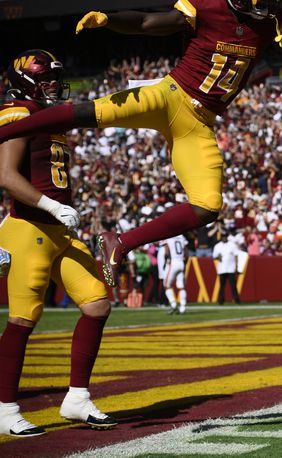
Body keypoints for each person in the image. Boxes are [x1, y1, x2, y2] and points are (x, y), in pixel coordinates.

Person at [0, 0, 282, 288]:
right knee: (88, 112)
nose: (264, 5)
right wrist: (110, 20)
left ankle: (120, 242)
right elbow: (148, 23)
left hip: (199, 123)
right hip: (170, 96)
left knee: (208, 206)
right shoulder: (208, 5)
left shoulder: (270, 19)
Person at [0, 50, 116, 436]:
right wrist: (51, 204)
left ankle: (77, 399)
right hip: (29, 228)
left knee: (97, 303)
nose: (53, 82)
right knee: (22, 319)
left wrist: (64, 208)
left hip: (59, 230)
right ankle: (5, 408)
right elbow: (6, 175)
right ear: (26, 79)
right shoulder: (17, 111)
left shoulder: (52, 117)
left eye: (56, 76)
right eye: (46, 77)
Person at [161, 233, 189, 314]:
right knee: (181, 287)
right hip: (181, 262)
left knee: (167, 285)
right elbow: (186, 253)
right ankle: (183, 307)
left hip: (173, 263)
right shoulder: (181, 236)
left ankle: (173, 304)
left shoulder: (167, 236)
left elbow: (166, 252)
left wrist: (165, 262)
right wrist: (184, 263)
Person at [213, 234, 241, 304]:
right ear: (221, 237)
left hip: (231, 267)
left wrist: (237, 266)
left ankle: (236, 300)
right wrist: (218, 257)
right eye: (223, 237)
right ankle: (220, 300)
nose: (224, 238)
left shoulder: (232, 245)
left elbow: (236, 255)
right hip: (222, 268)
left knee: (233, 285)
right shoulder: (217, 246)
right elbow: (214, 256)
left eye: (225, 236)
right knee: (222, 286)